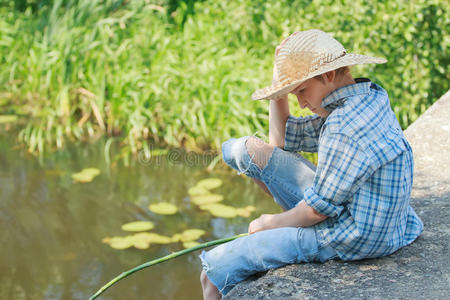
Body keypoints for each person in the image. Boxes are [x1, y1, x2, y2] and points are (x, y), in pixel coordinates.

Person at [198, 29, 423, 300]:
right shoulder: (369, 97)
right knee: (241, 150)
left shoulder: (343, 126)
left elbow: (318, 211)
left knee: (213, 271)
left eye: (302, 91)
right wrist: (280, 80)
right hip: (381, 220)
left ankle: (293, 232)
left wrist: (269, 223)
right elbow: (278, 141)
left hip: (353, 236)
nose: (302, 104)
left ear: (328, 75)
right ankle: (290, 226)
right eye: (293, 94)